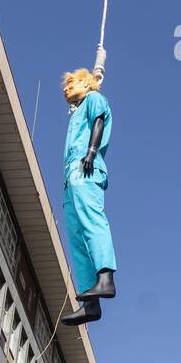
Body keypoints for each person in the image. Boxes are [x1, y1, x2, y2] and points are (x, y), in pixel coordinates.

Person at [59, 68, 116, 327]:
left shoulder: (93, 99)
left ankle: (106, 277)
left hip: (86, 167)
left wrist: (91, 153)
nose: (66, 88)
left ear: (86, 82)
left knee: (92, 220)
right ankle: (90, 304)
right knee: (77, 233)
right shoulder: (75, 112)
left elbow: (99, 121)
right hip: (71, 175)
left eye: (71, 83)